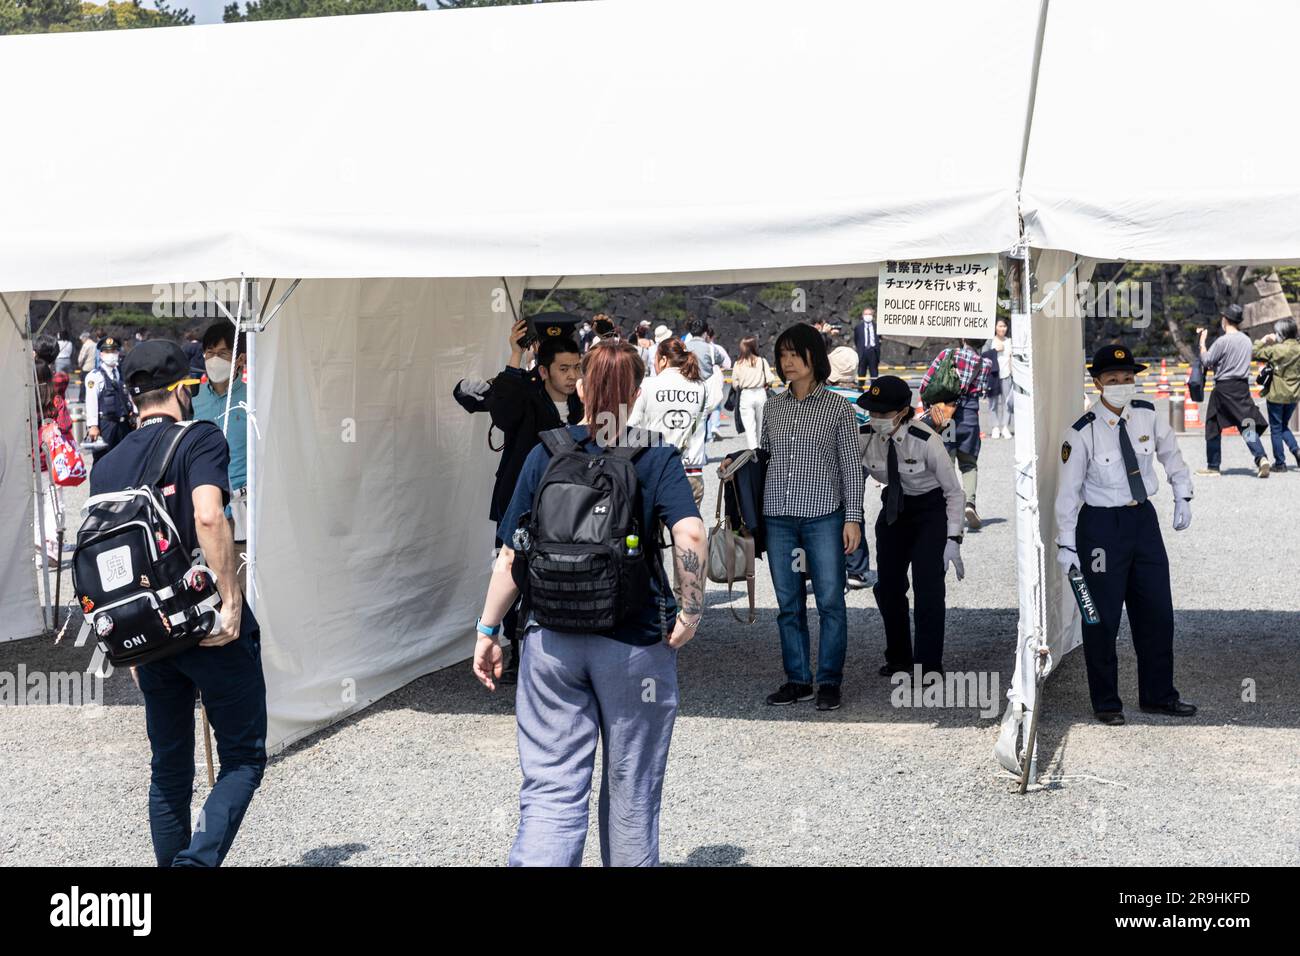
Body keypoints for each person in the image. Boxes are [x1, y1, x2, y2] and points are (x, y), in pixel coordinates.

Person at [474, 340, 708, 867]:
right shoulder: (656, 455)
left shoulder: (546, 451)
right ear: (640, 391)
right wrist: (690, 611)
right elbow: (691, 535)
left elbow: (511, 553)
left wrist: (487, 631)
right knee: (631, 792)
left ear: (580, 388)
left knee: (552, 790)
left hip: (550, 641)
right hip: (633, 643)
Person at [90, 339, 265, 865]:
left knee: (169, 766)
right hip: (205, 621)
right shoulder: (199, 439)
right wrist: (230, 601)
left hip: (145, 629)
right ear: (182, 389)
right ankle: (197, 861)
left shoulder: (108, 465)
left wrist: (131, 646)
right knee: (242, 757)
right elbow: (210, 516)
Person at [1054, 344, 1196, 725]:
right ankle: (1106, 702)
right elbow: (1067, 494)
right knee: (1100, 617)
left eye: (1128, 379)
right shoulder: (1081, 432)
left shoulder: (1147, 415)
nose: (1122, 385)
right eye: (1113, 380)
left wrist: (1182, 493)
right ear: (1097, 382)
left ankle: (1159, 695)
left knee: (1157, 613)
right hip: (1101, 528)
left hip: (1142, 522)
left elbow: (1171, 455)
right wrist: (1066, 544)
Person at [730, 322, 863, 711]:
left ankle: (829, 681)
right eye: (782, 356)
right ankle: (798, 679)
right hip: (779, 518)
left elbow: (851, 468)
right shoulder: (773, 405)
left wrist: (852, 518)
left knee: (830, 602)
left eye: (794, 354)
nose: (787, 363)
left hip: (825, 516)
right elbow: (765, 457)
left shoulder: (838, 407)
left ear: (813, 358)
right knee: (788, 604)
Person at [487, 318, 584, 683]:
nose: (573, 375)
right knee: (514, 569)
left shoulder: (582, 405)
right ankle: (514, 646)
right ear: (544, 370)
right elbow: (502, 412)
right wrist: (515, 355)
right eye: (564, 368)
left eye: (576, 367)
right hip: (522, 501)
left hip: (568, 505)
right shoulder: (526, 396)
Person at [857, 376, 965, 676]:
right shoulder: (863, 436)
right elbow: (852, 479)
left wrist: (953, 538)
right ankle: (899, 658)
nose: (876, 418)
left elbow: (954, 492)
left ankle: (928, 665)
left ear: (903, 412)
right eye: (873, 412)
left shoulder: (926, 440)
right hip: (894, 509)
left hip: (930, 511)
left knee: (928, 587)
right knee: (888, 587)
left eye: (883, 413)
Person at [191, 320, 250, 592]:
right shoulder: (193, 399)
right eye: (209, 353)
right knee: (210, 588)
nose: (214, 360)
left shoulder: (252, 398)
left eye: (223, 354)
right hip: (204, 509)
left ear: (240, 359)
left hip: (242, 511)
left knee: (241, 583)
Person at [628, 338, 709, 508]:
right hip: (691, 472)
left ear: (663, 360)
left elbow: (632, 426)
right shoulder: (702, 387)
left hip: (655, 470)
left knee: (652, 532)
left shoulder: (647, 386)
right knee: (688, 532)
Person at [920, 338, 992, 530]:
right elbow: (983, 391)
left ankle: (949, 511)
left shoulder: (948, 354)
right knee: (969, 464)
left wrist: (929, 406)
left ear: (962, 338)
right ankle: (970, 504)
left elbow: (926, 383)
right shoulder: (985, 363)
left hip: (947, 417)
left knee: (947, 464)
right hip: (969, 418)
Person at [1198, 304, 1270, 477]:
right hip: (1242, 386)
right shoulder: (1246, 340)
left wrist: (1202, 343)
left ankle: (1213, 466)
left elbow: (1206, 361)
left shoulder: (1222, 341)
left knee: (1213, 424)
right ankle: (1261, 458)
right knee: (1246, 424)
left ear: (1226, 320)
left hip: (1224, 387)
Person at [826, 346, 875, 590]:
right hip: (856, 464)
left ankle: (830, 570)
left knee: (825, 516)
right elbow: (870, 435)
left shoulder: (821, 397)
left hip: (823, 465)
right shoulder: (862, 400)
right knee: (854, 512)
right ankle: (856, 569)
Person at [1251, 317, 1300, 472]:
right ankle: (1296, 450)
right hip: (1294, 394)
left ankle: (1280, 463)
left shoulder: (1276, 350)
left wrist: (1264, 339)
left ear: (1281, 334)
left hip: (1277, 394)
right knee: (1283, 425)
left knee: (1276, 428)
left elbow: (1255, 352)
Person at [83, 335, 136, 462]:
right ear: (101, 354)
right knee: (103, 459)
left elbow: (126, 394)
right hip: (106, 424)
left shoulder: (119, 373)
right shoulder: (94, 376)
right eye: (107, 352)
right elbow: (91, 401)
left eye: (114, 351)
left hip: (123, 423)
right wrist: (93, 425)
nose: (111, 355)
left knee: (123, 459)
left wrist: (134, 412)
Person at [730, 336, 774, 451]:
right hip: (760, 393)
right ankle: (761, 450)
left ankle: (753, 452)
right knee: (761, 427)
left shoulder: (738, 364)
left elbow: (735, 384)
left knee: (750, 428)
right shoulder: (762, 361)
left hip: (746, 395)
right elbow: (770, 379)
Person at [987, 317, 1013, 438]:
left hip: (1007, 375)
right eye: (1000, 326)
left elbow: (1012, 357)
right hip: (993, 375)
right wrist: (994, 350)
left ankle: (1005, 427)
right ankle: (995, 427)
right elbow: (983, 355)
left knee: (1006, 402)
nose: (1002, 328)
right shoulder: (990, 341)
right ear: (995, 327)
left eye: (1004, 326)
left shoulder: (1009, 341)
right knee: (993, 403)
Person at [854, 306, 880, 381]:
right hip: (863, 352)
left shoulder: (876, 326)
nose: (868, 316)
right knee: (861, 374)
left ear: (872, 315)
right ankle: (860, 391)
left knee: (874, 375)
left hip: (873, 352)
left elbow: (879, 339)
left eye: (870, 314)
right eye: (866, 314)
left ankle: (875, 391)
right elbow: (856, 340)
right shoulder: (858, 327)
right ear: (863, 315)